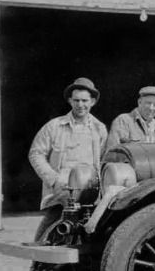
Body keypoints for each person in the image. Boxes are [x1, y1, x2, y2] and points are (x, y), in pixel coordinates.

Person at [28, 77, 108, 210]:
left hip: (90, 192)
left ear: (92, 101)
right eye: (76, 100)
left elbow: (103, 161)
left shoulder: (100, 129)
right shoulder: (54, 126)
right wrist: (53, 180)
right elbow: (36, 154)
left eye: (84, 100)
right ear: (70, 100)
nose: (80, 105)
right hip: (60, 192)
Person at [105, 86, 155, 151]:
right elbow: (112, 153)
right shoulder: (123, 121)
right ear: (139, 102)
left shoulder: (154, 125)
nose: (151, 108)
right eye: (148, 103)